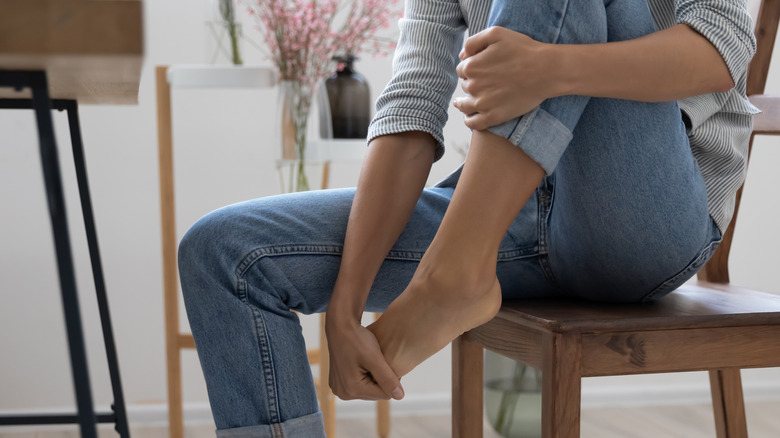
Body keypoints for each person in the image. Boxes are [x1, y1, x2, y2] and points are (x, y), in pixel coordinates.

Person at [178, 0, 759, 436]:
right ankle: (459, 267)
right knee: (226, 252)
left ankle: (453, 276)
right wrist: (346, 306)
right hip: (502, 210)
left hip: (638, 216)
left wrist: (552, 68)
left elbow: (721, 51)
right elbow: (411, 106)